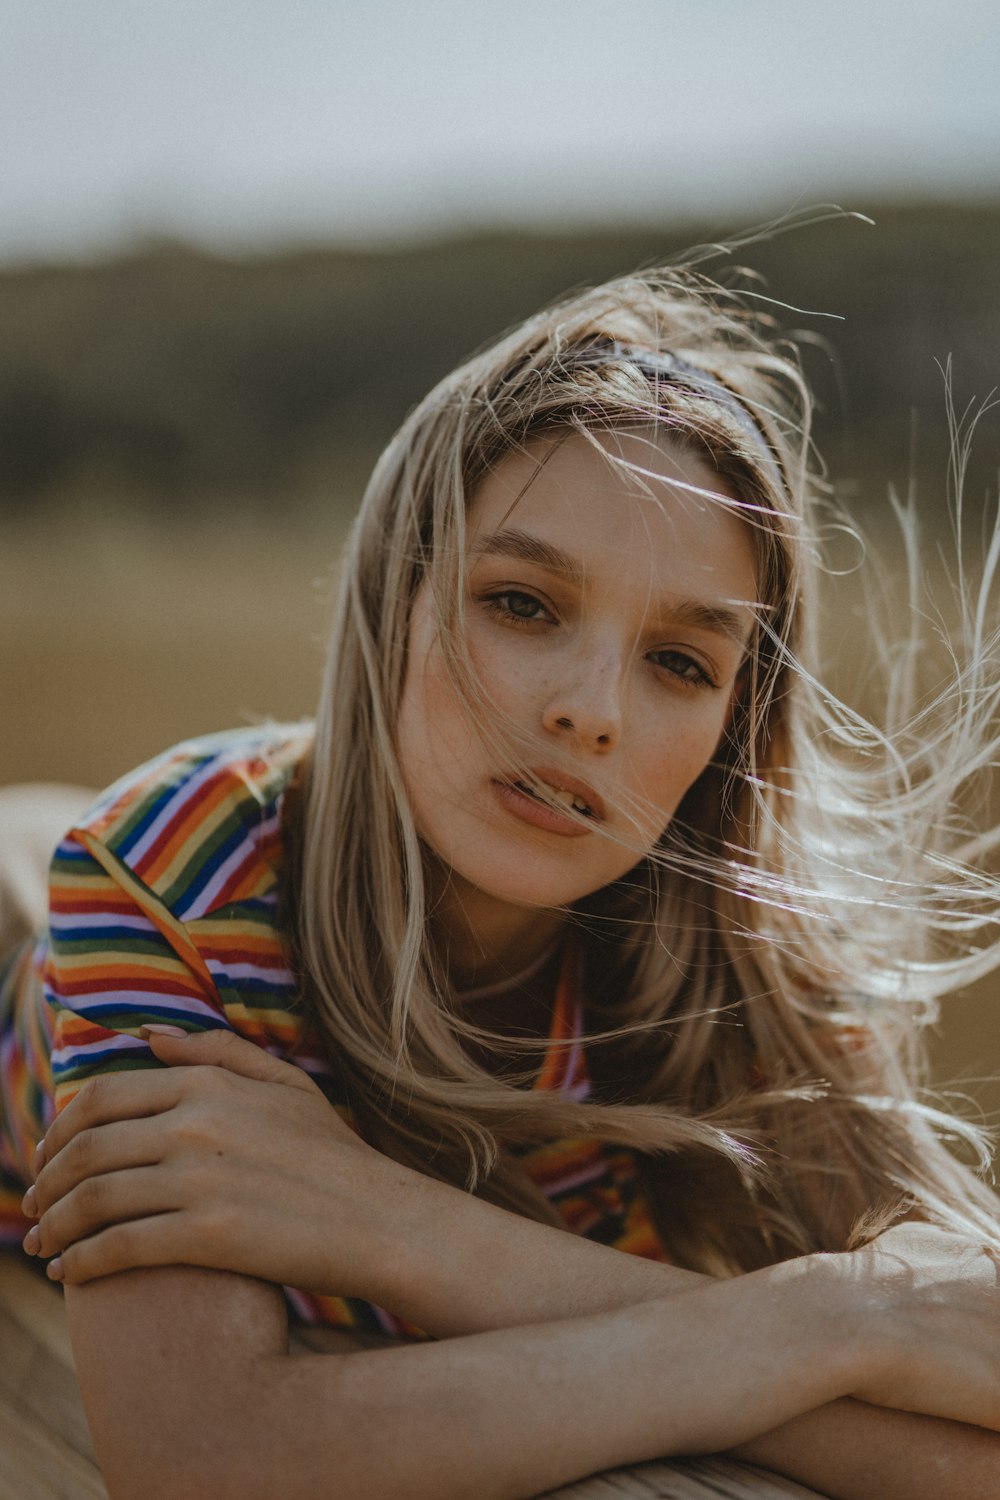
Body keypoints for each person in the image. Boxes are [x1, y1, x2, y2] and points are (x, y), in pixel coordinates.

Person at [2, 260, 1000, 1500]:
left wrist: (395, 1226)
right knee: (29, 866)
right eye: (521, 602)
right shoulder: (171, 878)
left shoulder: (751, 970)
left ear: (731, 732)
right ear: (394, 594)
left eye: (681, 663)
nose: (589, 712)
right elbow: (198, 1456)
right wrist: (830, 1323)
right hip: (42, 944)